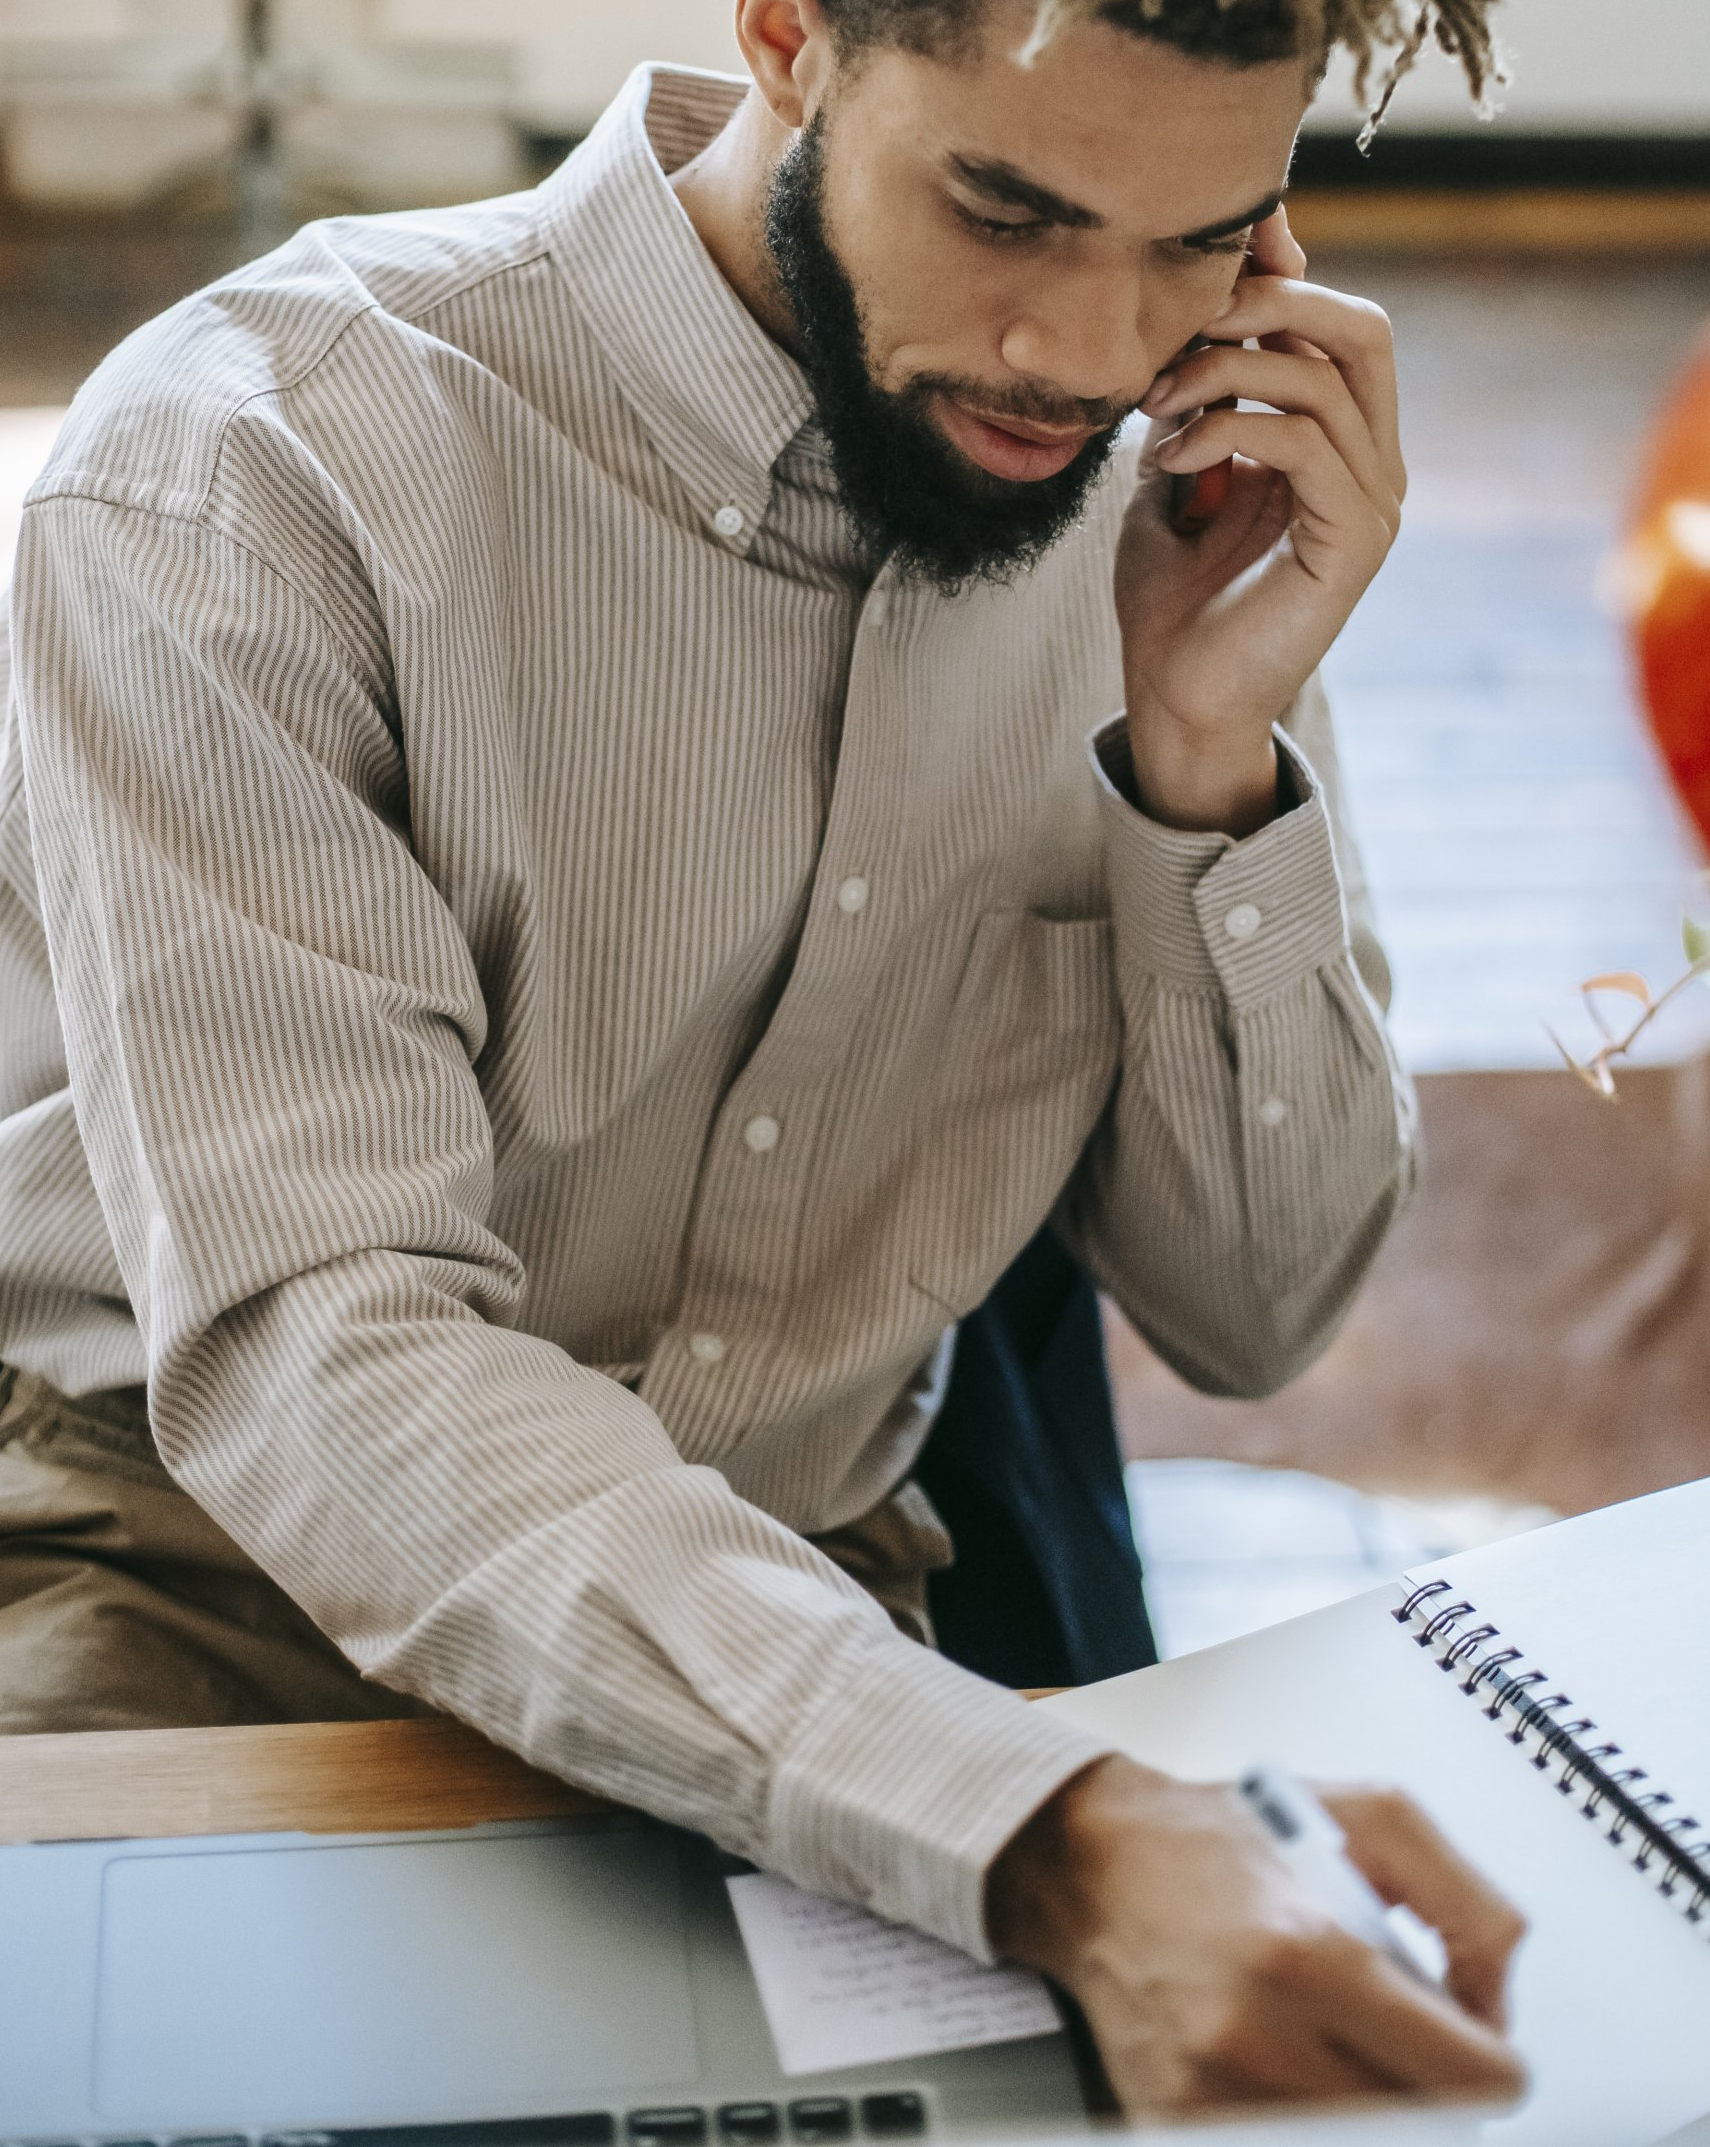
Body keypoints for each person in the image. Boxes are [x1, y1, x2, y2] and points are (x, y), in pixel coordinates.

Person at [0, 0, 1527, 2112]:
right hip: (201, 1593)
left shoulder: (1171, 507)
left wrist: (1206, 758)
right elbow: (329, 1352)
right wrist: (1039, 1823)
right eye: (1008, 204)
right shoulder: (250, 466)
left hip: (820, 1624)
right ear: (794, 31)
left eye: (1202, 242)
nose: (1088, 353)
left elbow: (1261, 1314)